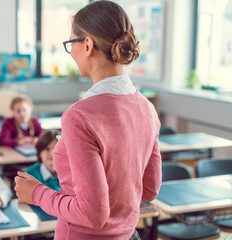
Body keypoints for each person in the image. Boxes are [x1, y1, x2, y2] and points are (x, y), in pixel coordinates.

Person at [14, 1, 162, 239]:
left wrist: (37, 193)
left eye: (71, 42)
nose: (70, 51)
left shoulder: (79, 117)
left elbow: (92, 213)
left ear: (88, 45)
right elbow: (149, 189)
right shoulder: (147, 108)